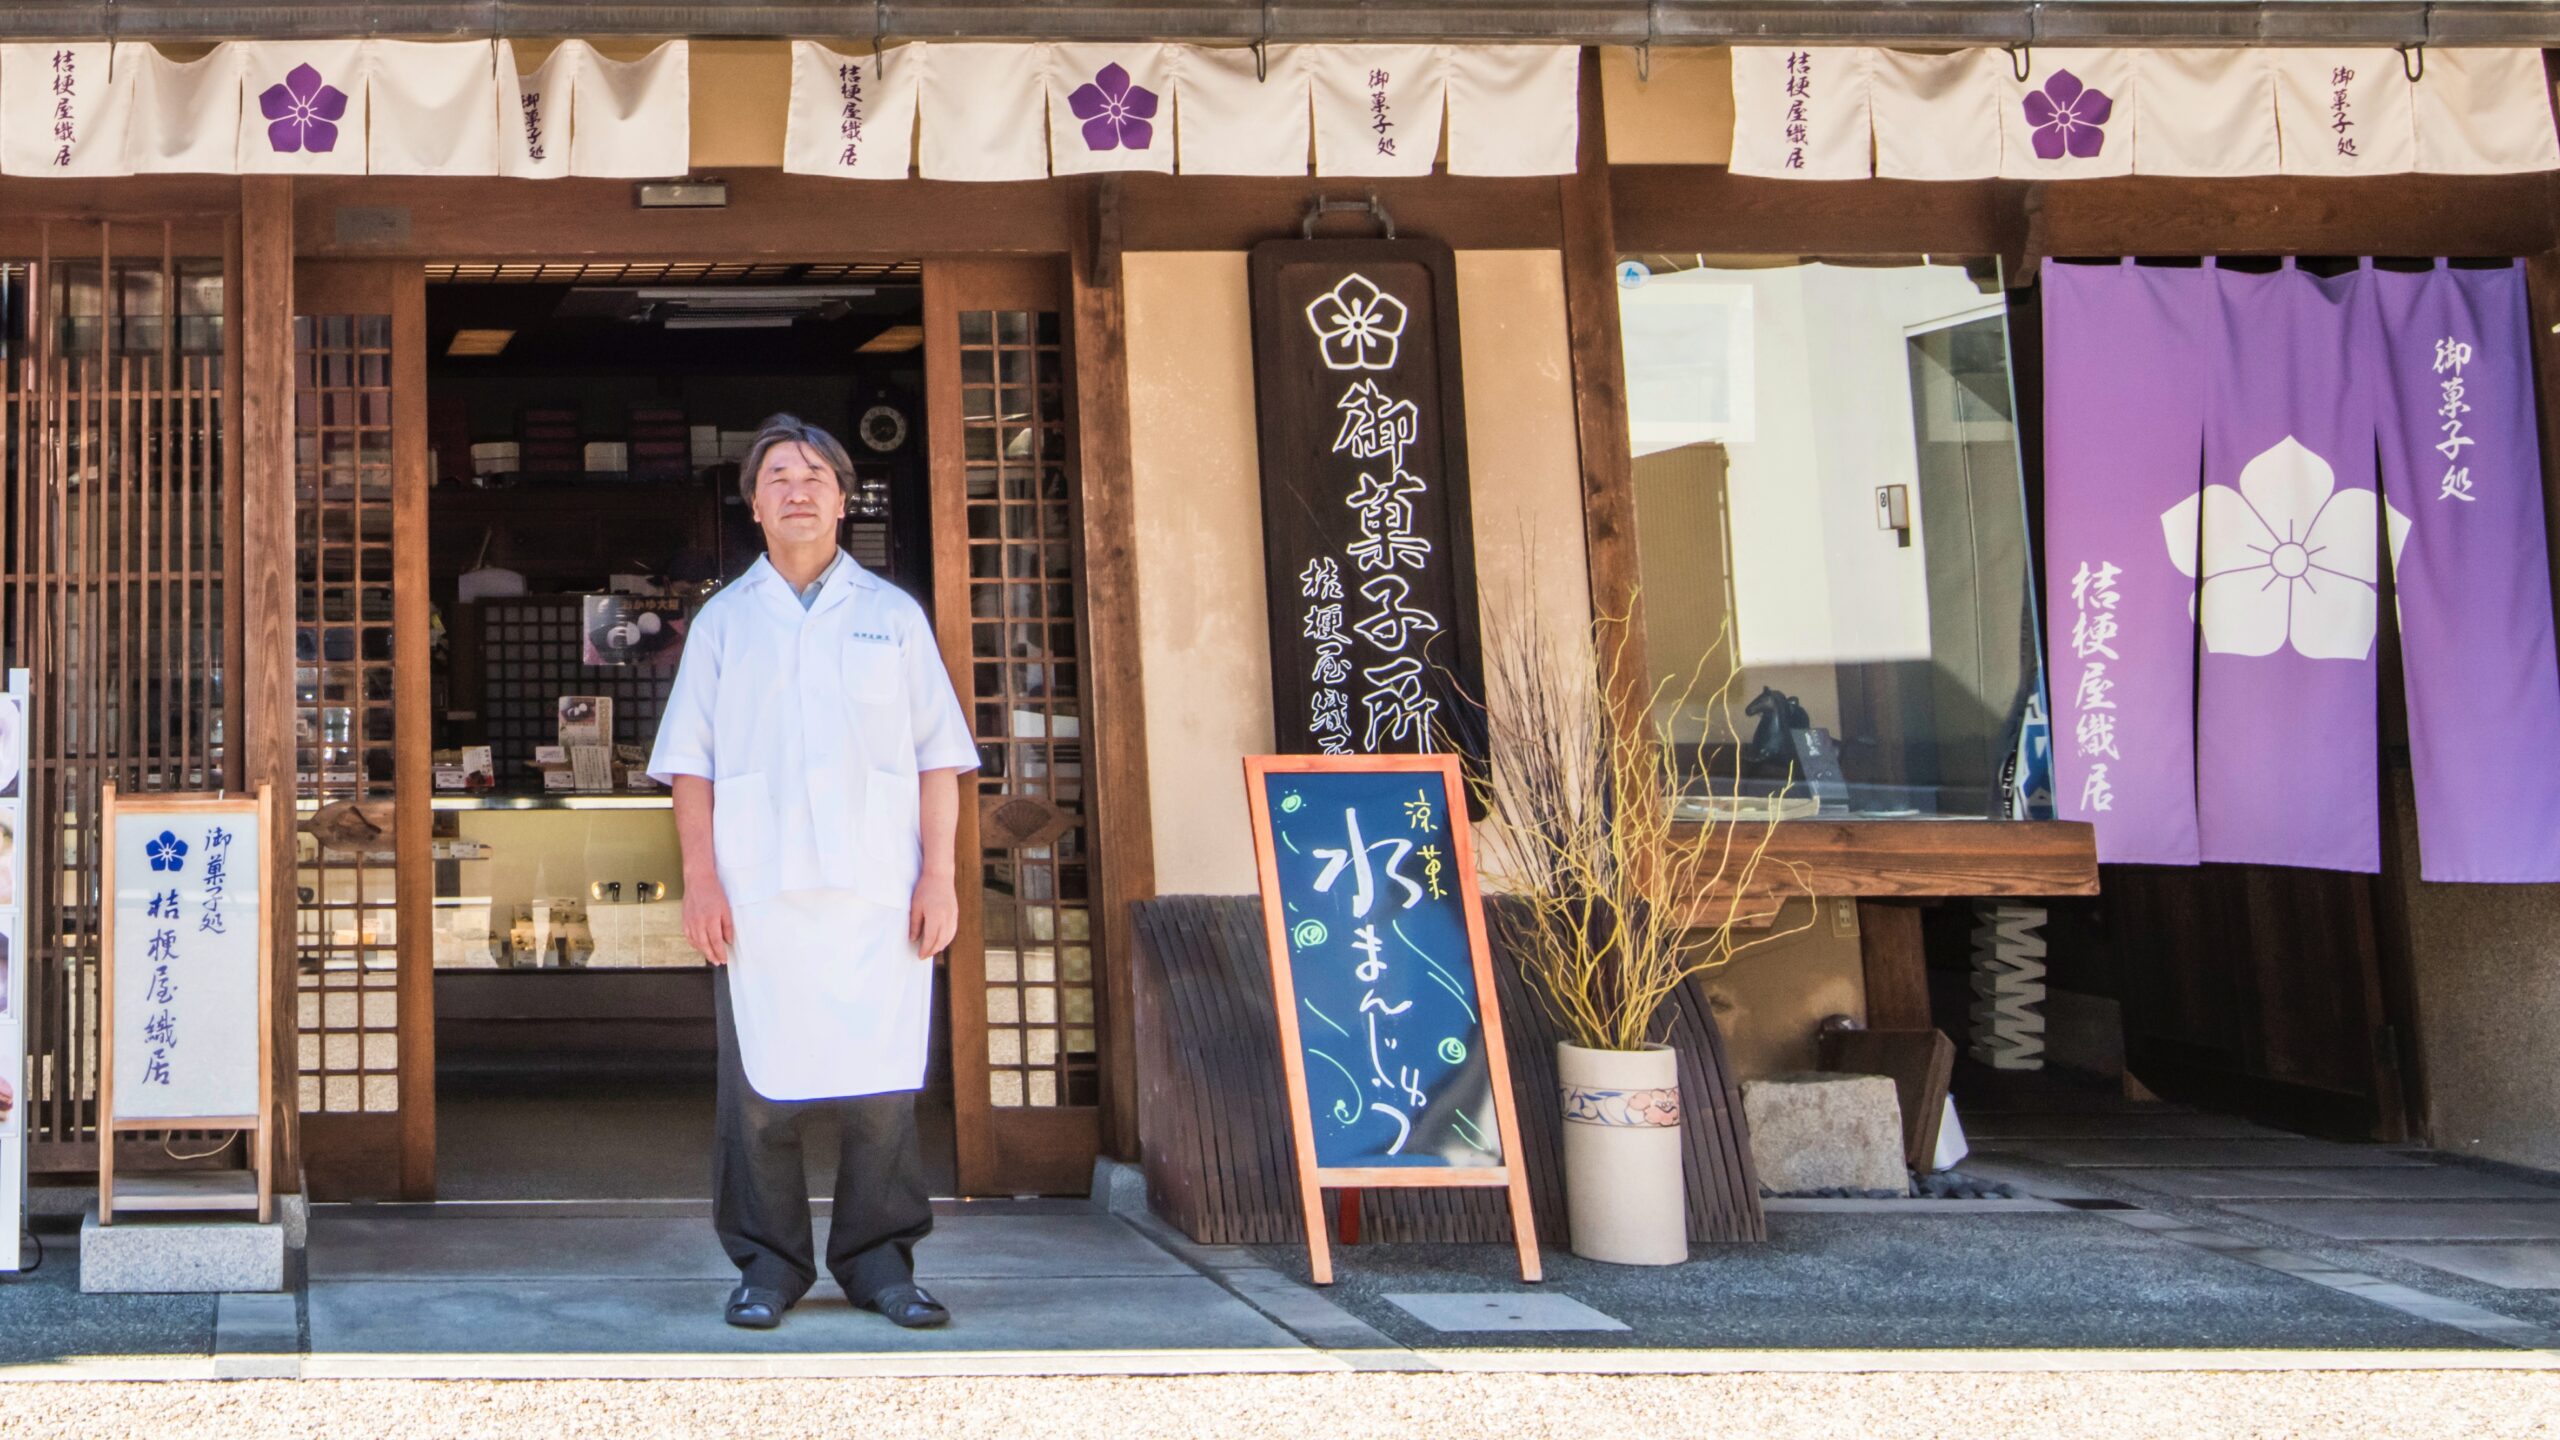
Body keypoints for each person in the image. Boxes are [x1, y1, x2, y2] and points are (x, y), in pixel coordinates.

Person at [647, 414, 979, 1331]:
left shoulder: (892, 617)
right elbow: (692, 766)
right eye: (779, 477)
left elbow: (937, 760)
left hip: (880, 892)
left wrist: (939, 878)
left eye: (815, 476)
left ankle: (880, 1266)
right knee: (759, 1098)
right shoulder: (724, 623)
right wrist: (702, 880)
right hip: (759, 898)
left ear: (844, 499)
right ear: (754, 505)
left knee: (882, 1092)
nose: (798, 489)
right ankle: (767, 1268)